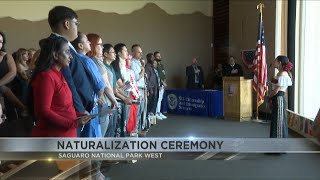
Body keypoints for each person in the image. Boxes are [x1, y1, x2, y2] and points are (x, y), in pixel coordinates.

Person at [30, 37, 91, 137]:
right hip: (54, 137)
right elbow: (44, 111)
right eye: (67, 52)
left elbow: (63, 108)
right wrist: (73, 123)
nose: (70, 57)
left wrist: (79, 116)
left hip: (66, 136)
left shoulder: (59, 74)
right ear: (55, 55)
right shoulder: (46, 76)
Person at [268, 55, 293, 138]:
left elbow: (276, 90)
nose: (273, 62)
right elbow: (273, 82)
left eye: (275, 60)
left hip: (279, 98)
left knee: (279, 122)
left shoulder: (283, 74)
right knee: (275, 121)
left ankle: (279, 147)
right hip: (276, 98)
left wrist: (269, 96)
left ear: (279, 63)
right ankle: (274, 145)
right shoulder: (279, 73)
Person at [154, 51, 167, 120]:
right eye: (158, 56)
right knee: (158, 99)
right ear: (155, 57)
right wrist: (162, 82)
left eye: (160, 56)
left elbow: (163, 75)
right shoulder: (156, 65)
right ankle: (156, 113)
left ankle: (159, 112)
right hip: (158, 84)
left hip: (162, 85)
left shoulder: (161, 65)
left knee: (160, 99)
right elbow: (157, 75)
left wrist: (164, 82)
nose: (159, 57)